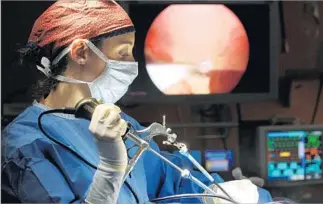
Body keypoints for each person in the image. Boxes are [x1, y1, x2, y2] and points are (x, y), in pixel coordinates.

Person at [2, 0, 273, 203]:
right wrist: (111, 166)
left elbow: (171, 183)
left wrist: (214, 194)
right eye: (122, 53)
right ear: (81, 52)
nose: (132, 64)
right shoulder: (26, 144)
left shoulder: (125, 126)